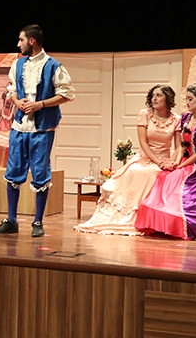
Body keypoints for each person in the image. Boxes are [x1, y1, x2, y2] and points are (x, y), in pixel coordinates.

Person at [0, 24, 75, 237]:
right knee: (14, 170)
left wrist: (40, 104)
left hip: (42, 128)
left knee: (40, 172)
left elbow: (66, 94)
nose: (18, 44)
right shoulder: (18, 64)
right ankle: (12, 220)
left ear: (32, 41)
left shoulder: (53, 66)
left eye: (21, 40)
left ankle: (38, 221)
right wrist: (17, 101)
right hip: (19, 126)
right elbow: (12, 90)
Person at [74, 84, 181, 235]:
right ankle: (132, 215)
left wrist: (172, 162)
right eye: (153, 95)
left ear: (167, 98)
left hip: (165, 160)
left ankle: (155, 218)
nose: (154, 99)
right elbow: (143, 143)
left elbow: (179, 146)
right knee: (138, 171)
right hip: (146, 157)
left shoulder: (176, 119)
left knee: (162, 175)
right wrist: (158, 162)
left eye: (159, 95)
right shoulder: (145, 114)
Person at [136, 79, 196, 240]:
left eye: (190, 99)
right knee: (164, 178)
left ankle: (176, 222)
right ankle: (157, 222)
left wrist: (181, 166)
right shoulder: (186, 118)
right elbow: (182, 145)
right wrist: (176, 162)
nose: (187, 102)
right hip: (185, 161)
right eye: (186, 99)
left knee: (181, 191)